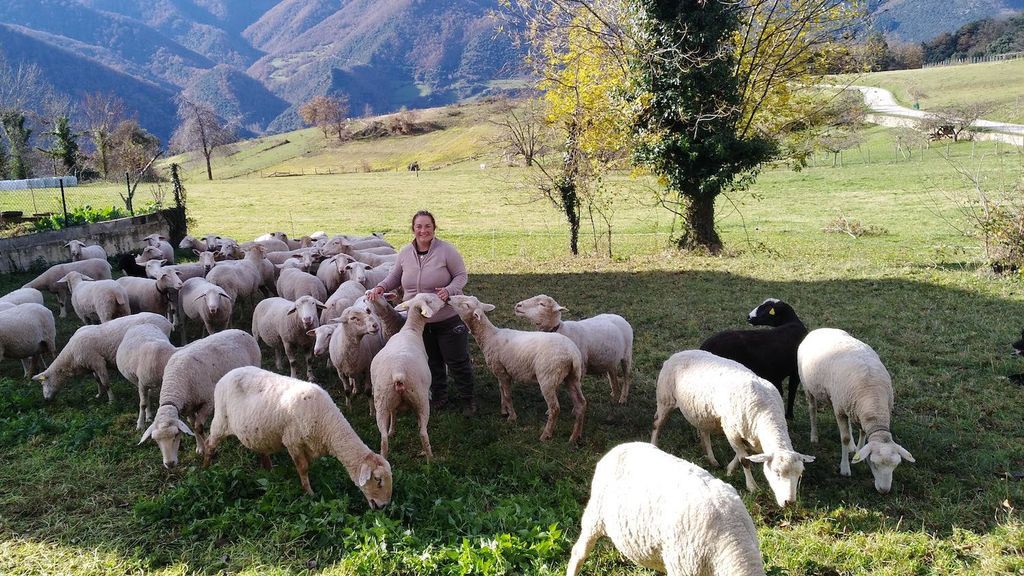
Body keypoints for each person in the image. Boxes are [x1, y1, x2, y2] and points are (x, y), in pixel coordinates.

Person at [366, 210, 477, 415]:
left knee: (457, 360)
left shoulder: (446, 251)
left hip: (445, 316)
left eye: (427, 226)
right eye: (419, 226)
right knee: (431, 360)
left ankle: (467, 399)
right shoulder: (405, 252)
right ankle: (440, 396)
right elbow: (394, 277)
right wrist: (381, 287)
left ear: (434, 228)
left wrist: (449, 290)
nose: (423, 230)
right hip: (418, 321)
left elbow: (461, 276)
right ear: (413, 229)